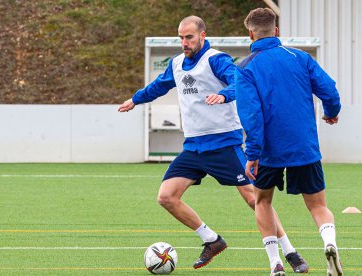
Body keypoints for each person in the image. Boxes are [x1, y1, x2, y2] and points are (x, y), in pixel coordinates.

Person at [118, 15, 308, 272]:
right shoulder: (176, 64)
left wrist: (223, 94)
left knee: (256, 200)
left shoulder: (216, 60)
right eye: (181, 38)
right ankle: (212, 240)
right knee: (166, 197)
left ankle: (290, 252)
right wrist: (136, 99)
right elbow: (159, 86)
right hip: (194, 147)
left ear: (202, 36)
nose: (184, 43)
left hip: (224, 144)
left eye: (189, 37)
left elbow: (238, 83)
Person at [235, 8, 343, 276]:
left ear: (250, 34)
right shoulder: (300, 57)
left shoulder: (245, 67)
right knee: (318, 205)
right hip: (304, 146)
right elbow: (329, 89)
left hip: (269, 151)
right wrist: (331, 112)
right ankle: (329, 243)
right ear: (276, 31)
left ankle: (275, 264)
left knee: (262, 202)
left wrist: (253, 153)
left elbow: (251, 114)